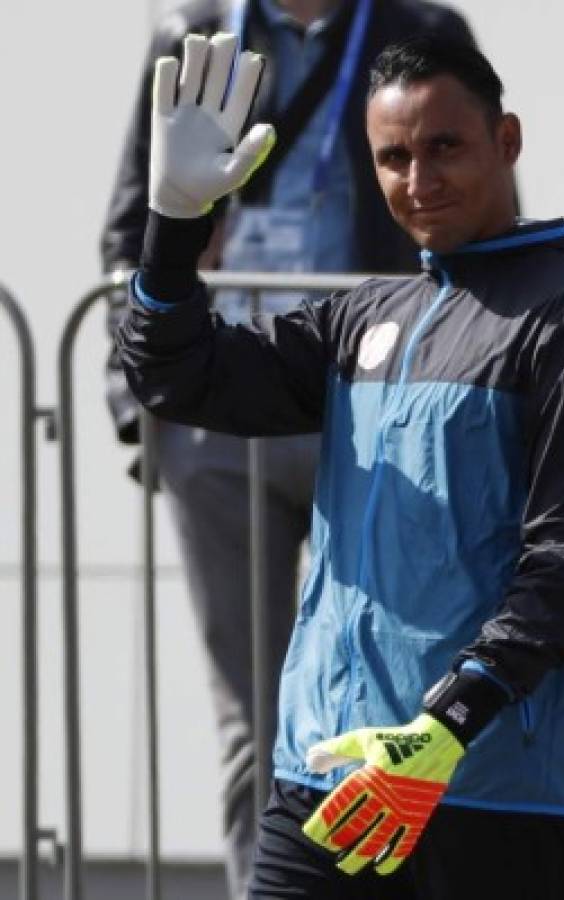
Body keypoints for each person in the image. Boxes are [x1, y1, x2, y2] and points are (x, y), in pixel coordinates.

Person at [117, 31, 564, 900]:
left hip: (483, 796)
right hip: (320, 784)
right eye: (392, 156)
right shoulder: (361, 317)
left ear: (505, 141)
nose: (418, 180)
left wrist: (442, 730)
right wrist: (174, 227)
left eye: (444, 148)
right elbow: (181, 376)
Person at [100, 3, 476, 897]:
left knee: (406, 703)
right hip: (221, 424)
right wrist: (141, 404)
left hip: (375, 412)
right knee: (254, 720)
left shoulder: (417, 25)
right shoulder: (195, 33)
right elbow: (132, 230)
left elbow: (473, 212)